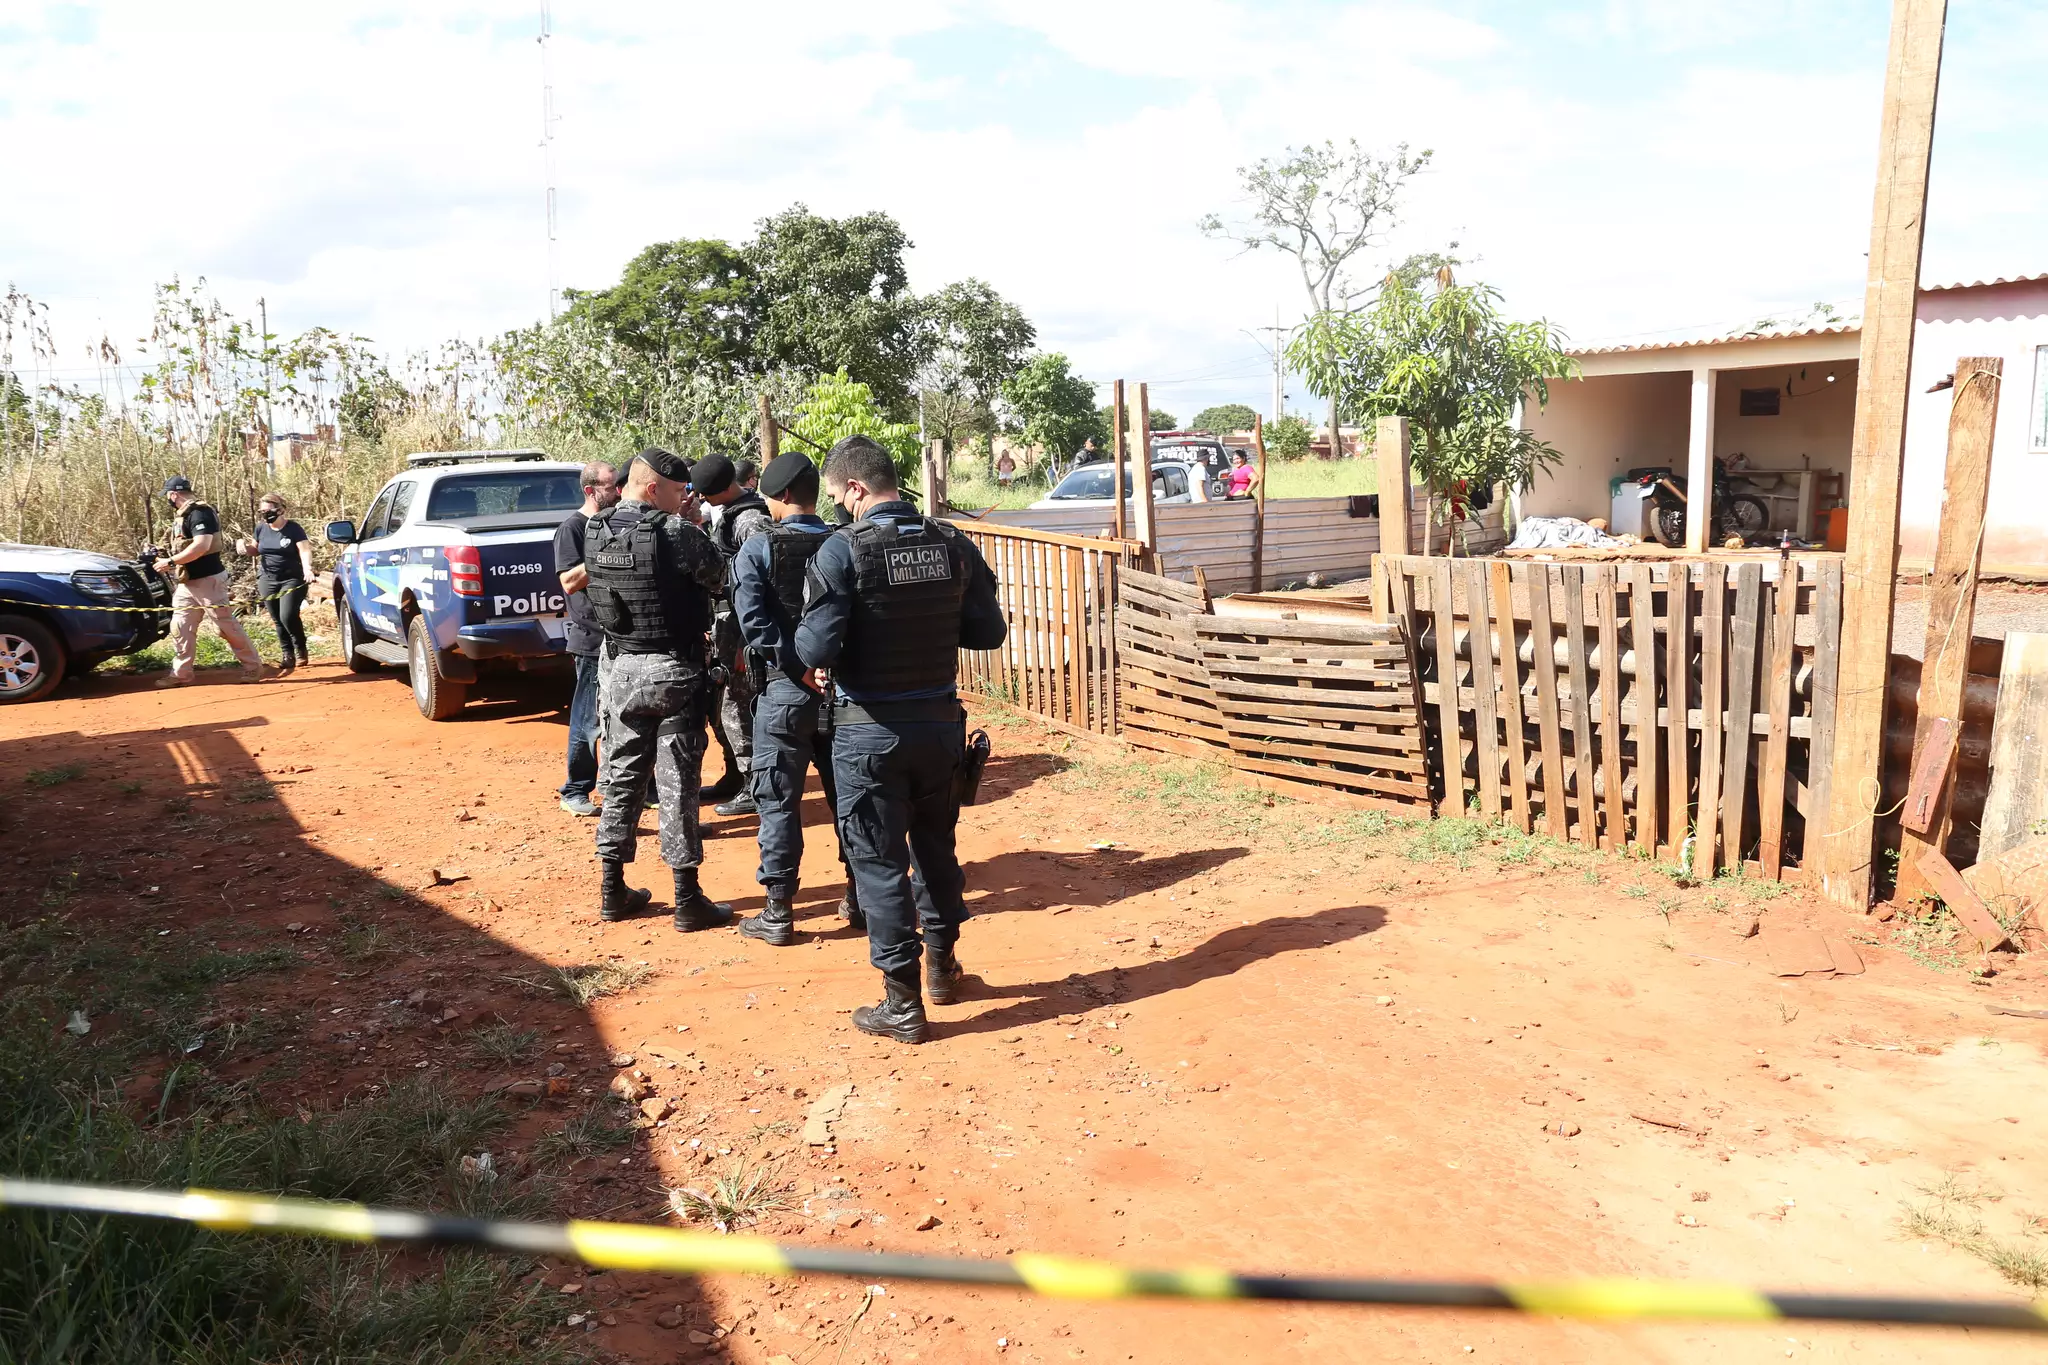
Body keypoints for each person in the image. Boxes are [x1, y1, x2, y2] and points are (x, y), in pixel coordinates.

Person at [796, 435, 1005, 1043]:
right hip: (939, 729)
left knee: (879, 864)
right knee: (935, 848)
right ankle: (942, 967)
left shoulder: (843, 552)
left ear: (856, 488)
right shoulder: (953, 544)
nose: (836, 504)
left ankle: (902, 1003)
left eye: (837, 495)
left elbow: (814, 649)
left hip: (868, 735)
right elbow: (988, 632)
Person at [584, 449, 734, 930]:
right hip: (673, 669)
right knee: (678, 783)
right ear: (654, 489)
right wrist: (695, 527)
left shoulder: (594, 529)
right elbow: (722, 578)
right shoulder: (676, 532)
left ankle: (612, 889)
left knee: (623, 777)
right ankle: (687, 899)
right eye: (678, 491)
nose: (686, 498)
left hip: (621, 671)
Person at [728, 451, 865, 947]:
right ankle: (860, 899)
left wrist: (797, 668)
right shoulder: (845, 541)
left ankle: (779, 911)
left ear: (783, 496)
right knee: (850, 798)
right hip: (842, 691)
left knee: (778, 801)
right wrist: (823, 668)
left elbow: (755, 624)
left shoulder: (758, 548)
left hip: (786, 692)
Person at [693, 453, 775, 817]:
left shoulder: (750, 519)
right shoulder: (731, 513)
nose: (701, 500)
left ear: (723, 489)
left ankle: (754, 787)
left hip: (742, 627)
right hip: (727, 623)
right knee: (722, 703)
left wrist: (747, 639)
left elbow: (763, 581)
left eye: (705, 493)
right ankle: (736, 777)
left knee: (737, 705)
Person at [553, 461, 620, 817]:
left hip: (621, 638)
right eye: (612, 487)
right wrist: (603, 555)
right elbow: (568, 582)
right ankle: (576, 789)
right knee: (586, 720)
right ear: (592, 490)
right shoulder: (572, 529)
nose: (618, 492)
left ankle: (648, 787)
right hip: (591, 641)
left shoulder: (614, 522)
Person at [153, 476, 263, 687]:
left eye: (167, 495)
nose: (167, 499)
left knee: (225, 626)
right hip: (187, 582)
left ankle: (253, 667)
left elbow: (201, 545)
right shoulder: (184, 516)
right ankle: (181, 674)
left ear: (173, 494)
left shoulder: (200, 513)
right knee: (180, 626)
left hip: (208, 581)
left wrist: (171, 561)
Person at [232, 491, 315, 674]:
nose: (265, 515)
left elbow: (304, 549)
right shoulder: (261, 528)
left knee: (288, 616)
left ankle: (300, 646)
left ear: (280, 510)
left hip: (291, 578)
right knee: (277, 619)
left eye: (269, 511)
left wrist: (307, 568)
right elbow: (256, 549)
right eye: (262, 512)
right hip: (267, 578)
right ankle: (287, 654)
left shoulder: (293, 528)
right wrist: (244, 548)